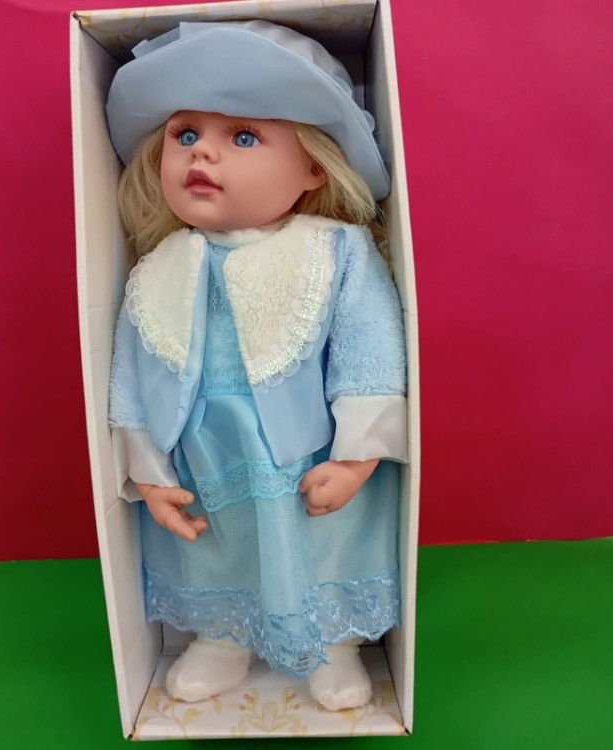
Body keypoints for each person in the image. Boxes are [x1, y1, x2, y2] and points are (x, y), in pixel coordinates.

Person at [106, 20, 407, 711]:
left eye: (244, 137)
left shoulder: (336, 252)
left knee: (322, 539)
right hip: (203, 458)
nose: (202, 152)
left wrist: (358, 456)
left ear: (313, 168)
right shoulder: (158, 267)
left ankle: (333, 641)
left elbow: (369, 350)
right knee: (218, 545)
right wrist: (147, 473)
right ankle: (222, 634)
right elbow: (131, 373)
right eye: (185, 134)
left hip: (309, 450)